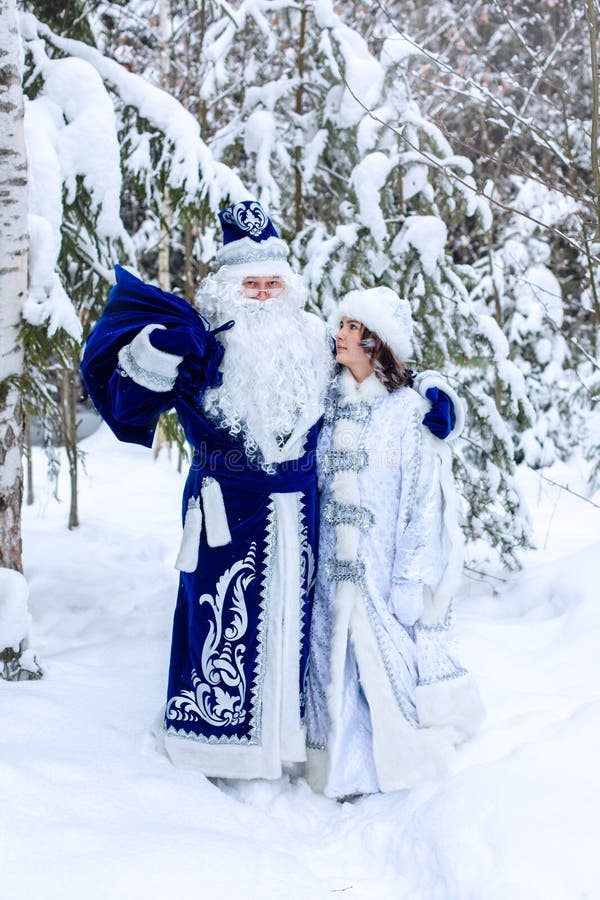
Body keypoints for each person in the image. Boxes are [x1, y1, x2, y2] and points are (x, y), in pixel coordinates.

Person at [81, 199, 457, 780]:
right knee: (220, 621)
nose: (261, 292)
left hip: (301, 512)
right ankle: (217, 746)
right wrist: (153, 351)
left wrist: (428, 391)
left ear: (287, 284)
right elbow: (131, 408)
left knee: (296, 623)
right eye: (249, 282)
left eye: (270, 282)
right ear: (228, 286)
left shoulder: (310, 336)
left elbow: (372, 370)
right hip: (225, 509)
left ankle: (286, 740)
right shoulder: (200, 343)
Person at [305, 286, 483, 798]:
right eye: (340, 325)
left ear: (377, 342)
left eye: (351, 328)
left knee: (386, 671)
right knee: (331, 665)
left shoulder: (408, 412)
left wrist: (407, 577)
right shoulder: (328, 402)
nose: (338, 335)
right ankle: (331, 769)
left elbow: (423, 502)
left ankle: (399, 762)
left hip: (381, 569)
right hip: (330, 570)